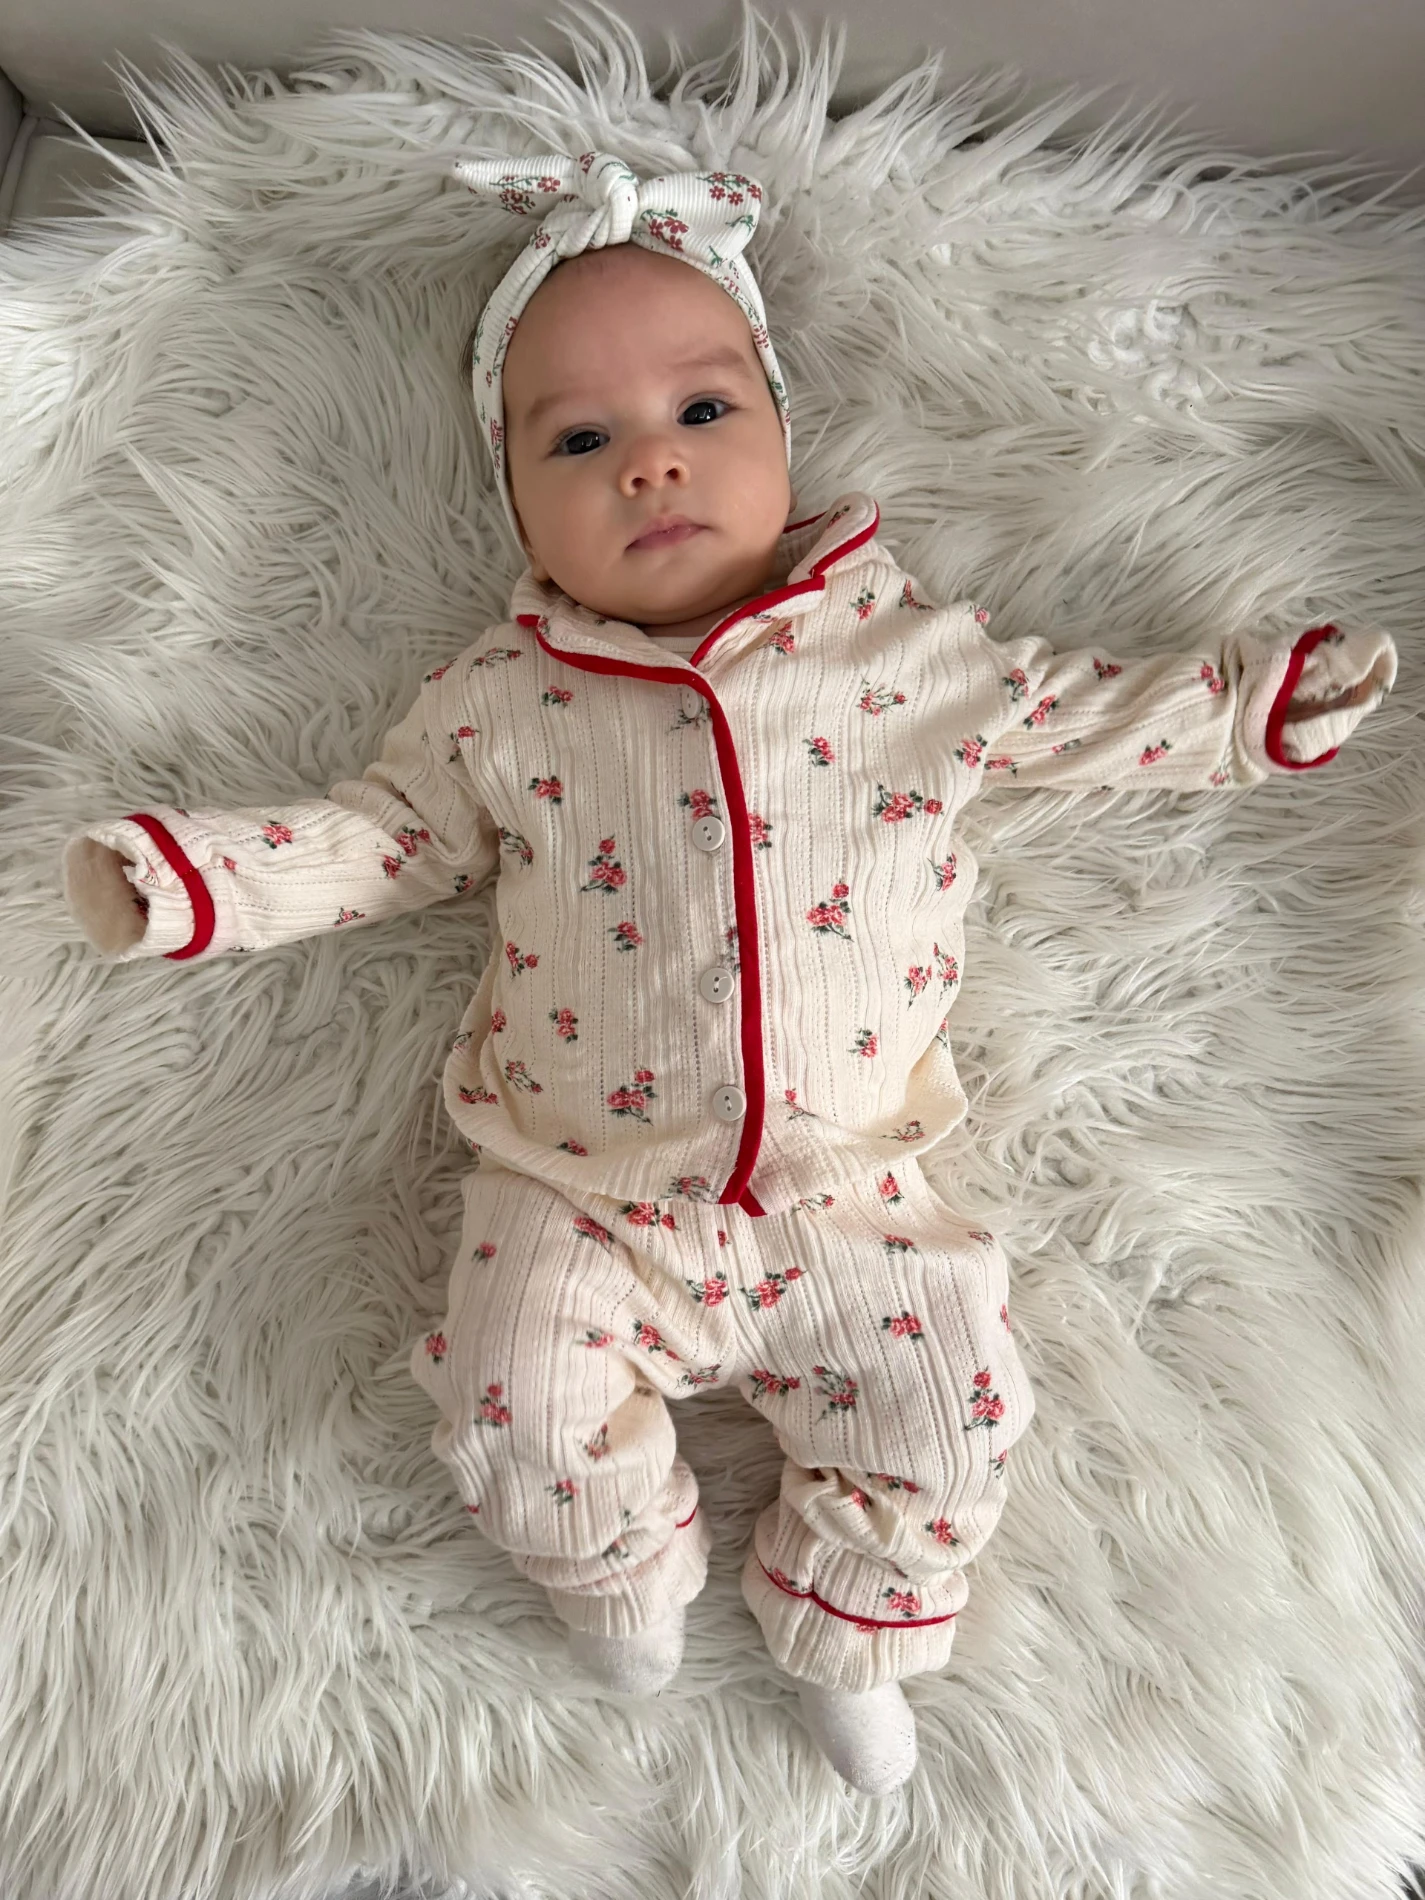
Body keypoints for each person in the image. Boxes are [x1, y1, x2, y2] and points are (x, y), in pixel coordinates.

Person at [60, 153, 1398, 1797]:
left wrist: (1250, 707)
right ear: (511, 499)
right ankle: (616, 1572)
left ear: (779, 427)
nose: (650, 463)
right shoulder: (506, 700)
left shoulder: (904, 656)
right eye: (578, 441)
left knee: (955, 1411)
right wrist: (201, 878)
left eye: (702, 410)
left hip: (853, 1193)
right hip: (582, 1189)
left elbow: (1084, 710)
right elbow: (384, 837)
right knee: (505, 1398)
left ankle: (851, 1622)